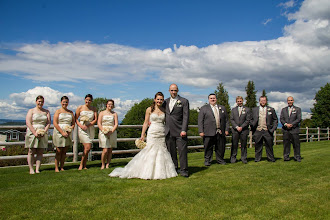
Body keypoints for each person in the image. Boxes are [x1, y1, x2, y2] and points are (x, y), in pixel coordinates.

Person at [109, 92, 177, 179]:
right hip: (152, 132)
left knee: (161, 151)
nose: (159, 101)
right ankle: (147, 172)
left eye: (161, 99)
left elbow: (167, 122)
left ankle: (161, 172)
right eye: (158, 99)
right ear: (154, 100)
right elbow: (145, 123)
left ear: (163, 100)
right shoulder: (149, 109)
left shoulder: (164, 110)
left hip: (161, 132)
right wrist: (142, 135)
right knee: (150, 150)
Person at [163, 84, 190, 177]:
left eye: (175, 90)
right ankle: (174, 168)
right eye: (171, 90)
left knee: (182, 151)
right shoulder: (165, 102)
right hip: (168, 131)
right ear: (169, 91)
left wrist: (184, 129)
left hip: (180, 131)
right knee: (171, 152)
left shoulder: (184, 101)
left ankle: (184, 170)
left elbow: (186, 116)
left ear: (178, 90)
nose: (173, 92)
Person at [198, 94, 229, 166]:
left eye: (214, 98)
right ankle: (207, 160)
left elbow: (227, 120)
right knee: (208, 147)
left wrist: (226, 130)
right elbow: (200, 121)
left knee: (220, 147)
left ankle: (220, 160)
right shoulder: (204, 108)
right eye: (211, 98)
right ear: (208, 99)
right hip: (208, 131)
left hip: (220, 131)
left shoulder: (222, 108)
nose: (212, 99)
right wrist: (201, 131)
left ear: (216, 99)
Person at [25, 95, 51, 174]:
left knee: (40, 151)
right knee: (31, 151)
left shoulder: (46, 111)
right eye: (39, 101)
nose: (40, 103)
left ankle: (37, 169)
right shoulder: (31, 110)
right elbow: (28, 122)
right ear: (36, 102)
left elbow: (48, 123)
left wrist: (44, 131)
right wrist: (34, 132)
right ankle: (31, 169)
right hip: (33, 131)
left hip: (42, 131)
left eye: (42, 102)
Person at [250, 96, 278, 162]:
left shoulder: (271, 109)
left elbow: (275, 120)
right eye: (261, 100)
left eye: (264, 100)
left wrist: (272, 129)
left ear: (266, 101)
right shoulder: (254, 109)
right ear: (259, 101)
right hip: (258, 130)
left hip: (267, 130)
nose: (263, 102)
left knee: (269, 145)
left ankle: (271, 158)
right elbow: (250, 119)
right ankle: (257, 159)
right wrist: (253, 126)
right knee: (258, 146)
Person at [52, 96, 75, 172]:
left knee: (64, 150)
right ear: (61, 102)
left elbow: (73, 123)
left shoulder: (71, 112)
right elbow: (55, 123)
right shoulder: (58, 111)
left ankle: (62, 167)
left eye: (66, 102)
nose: (65, 103)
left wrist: (69, 130)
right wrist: (62, 132)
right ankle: (56, 167)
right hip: (59, 131)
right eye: (64, 102)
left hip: (68, 132)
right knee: (58, 150)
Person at [75, 94, 98, 170]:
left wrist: (89, 125)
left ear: (91, 101)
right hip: (82, 128)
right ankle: (81, 164)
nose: (88, 101)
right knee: (88, 147)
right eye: (87, 99)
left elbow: (95, 119)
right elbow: (75, 119)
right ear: (84, 99)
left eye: (89, 100)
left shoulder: (94, 109)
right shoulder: (80, 108)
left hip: (90, 128)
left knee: (87, 148)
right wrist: (80, 126)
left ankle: (84, 165)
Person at [280, 96, 302, 162]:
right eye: (289, 100)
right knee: (286, 144)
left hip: (294, 129)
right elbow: (281, 119)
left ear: (293, 101)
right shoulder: (283, 110)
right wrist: (286, 124)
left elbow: (299, 119)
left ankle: (297, 157)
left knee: (296, 144)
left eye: (291, 100)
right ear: (287, 101)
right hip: (286, 130)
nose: (290, 102)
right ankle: (286, 157)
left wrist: (292, 124)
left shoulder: (298, 109)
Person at [98, 99, 118, 169]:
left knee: (110, 149)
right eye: (109, 104)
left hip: (112, 131)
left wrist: (111, 131)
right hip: (103, 131)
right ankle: (103, 164)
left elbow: (116, 124)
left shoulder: (114, 114)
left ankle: (108, 164)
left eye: (111, 104)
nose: (110, 105)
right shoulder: (101, 113)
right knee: (105, 149)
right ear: (106, 105)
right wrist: (103, 130)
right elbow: (99, 123)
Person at [230, 96, 251, 164]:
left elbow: (248, 120)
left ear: (242, 101)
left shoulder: (247, 109)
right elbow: (232, 119)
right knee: (234, 145)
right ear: (236, 102)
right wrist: (236, 127)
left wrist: (241, 127)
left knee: (244, 145)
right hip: (235, 130)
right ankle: (233, 158)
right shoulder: (233, 110)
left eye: (240, 101)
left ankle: (244, 158)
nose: (239, 102)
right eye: (238, 101)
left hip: (244, 130)